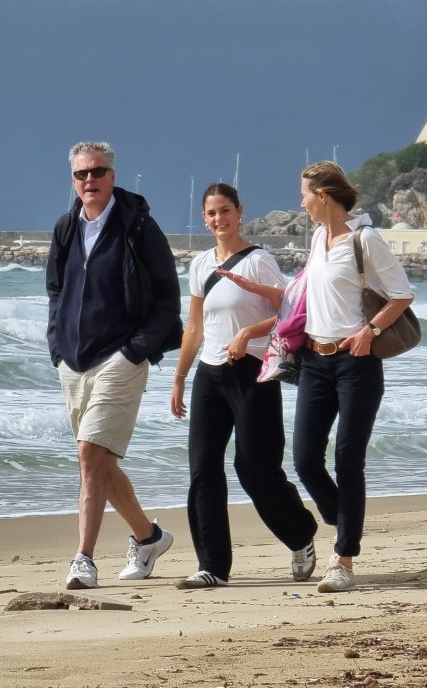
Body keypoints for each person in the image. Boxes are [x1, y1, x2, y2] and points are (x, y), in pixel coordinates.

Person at [47, 141, 182, 590]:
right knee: (98, 461)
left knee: (90, 454)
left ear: (112, 176)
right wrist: (57, 346)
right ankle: (148, 537)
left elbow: (167, 297)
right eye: (82, 174)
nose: (90, 180)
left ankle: (83, 560)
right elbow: (55, 292)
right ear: (74, 180)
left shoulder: (138, 227)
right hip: (74, 361)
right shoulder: (66, 228)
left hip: (120, 357)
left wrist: (136, 349)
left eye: (98, 172)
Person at [170, 182, 317, 589]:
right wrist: (180, 378)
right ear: (205, 218)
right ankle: (212, 566)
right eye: (212, 213)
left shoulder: (259, 261)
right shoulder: (200, 265)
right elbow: (195, 327)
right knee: (203, 469)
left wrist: (248, 331)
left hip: (253, 371)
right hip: (209, 373)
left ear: (239, 212)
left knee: (255, 468)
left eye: (225, 211)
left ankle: (300, 534)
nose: (219, 219)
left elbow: (291, 313)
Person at [294, 161, 413, 593]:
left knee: (348, 460)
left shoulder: (365, 240)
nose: (302, 202)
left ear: (323, 196)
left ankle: (343, 559)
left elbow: (401, 294)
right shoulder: (317, 237)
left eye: (305, 194)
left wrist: (370, 330)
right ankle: (346, 521)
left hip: (355, 364)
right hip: (313, 360)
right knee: (306, 460)